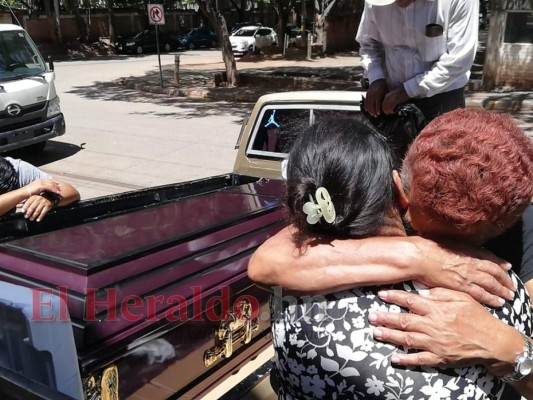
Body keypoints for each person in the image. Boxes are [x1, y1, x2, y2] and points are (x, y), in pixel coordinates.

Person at [250, 109, 533, 398]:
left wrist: (506, 346)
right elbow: (266, 263)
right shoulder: (505, 289)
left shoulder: (296, 285)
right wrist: (417, 256)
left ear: (400, 190)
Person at [357, 0, 479, 121]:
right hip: (390, 100)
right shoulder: (375, 2)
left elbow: (458, 61)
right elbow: (369, 44)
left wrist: (407, 90)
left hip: (441, 99)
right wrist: (376, 78)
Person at [0, 156, 80, 221]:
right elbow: (31, 188)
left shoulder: (13, 169)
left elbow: (70, 191)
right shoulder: (27, 189)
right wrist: (26, 191)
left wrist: (49, 197)